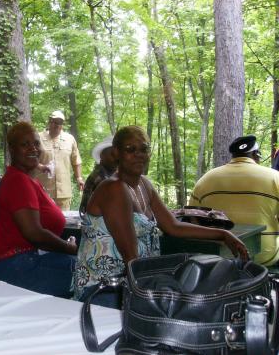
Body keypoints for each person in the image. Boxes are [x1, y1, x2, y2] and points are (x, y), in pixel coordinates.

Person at [72, 126, 249, 307]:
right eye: (130, 149)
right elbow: (129, 255)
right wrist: (148, 301)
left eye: (144, 149)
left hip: (137, 279)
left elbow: (173, 226)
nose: (138, 154)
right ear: (116, 153)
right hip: (106, 287)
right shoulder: (113, 188)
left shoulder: (143, 185)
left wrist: (223, 235)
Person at [0, 122, 77, 298]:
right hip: (20, 266)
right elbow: (34, 233)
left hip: (29, 260)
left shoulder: (27, 180)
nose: (33, 148)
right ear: (12, 149)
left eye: (36, 143)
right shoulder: (18, 181)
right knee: (93, 275)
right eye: (25, 144)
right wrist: (69, 248)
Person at [190, 135, 279, 266]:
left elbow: (192, 219)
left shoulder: (205, 179)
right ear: (255, 154)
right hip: (262, 257)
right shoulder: (275, 177)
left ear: (233, 156)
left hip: (216, 257)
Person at [34, 110, 84, 210]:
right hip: (43, 189)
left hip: (64, 192)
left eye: (59, 122)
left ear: (62, 125)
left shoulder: (70, 139)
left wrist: (79, 178)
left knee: (64, 220)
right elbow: (31, 159)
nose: (56, 125)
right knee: (44, 220)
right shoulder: (38, 138)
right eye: (54, 121)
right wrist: (41, 167)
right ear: (49, 122)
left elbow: (76, 160)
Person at [79, 136, 117, 217]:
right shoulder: (99, 177)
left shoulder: (111, 174)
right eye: (112, 154)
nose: (117, 158)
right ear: (102, 156)